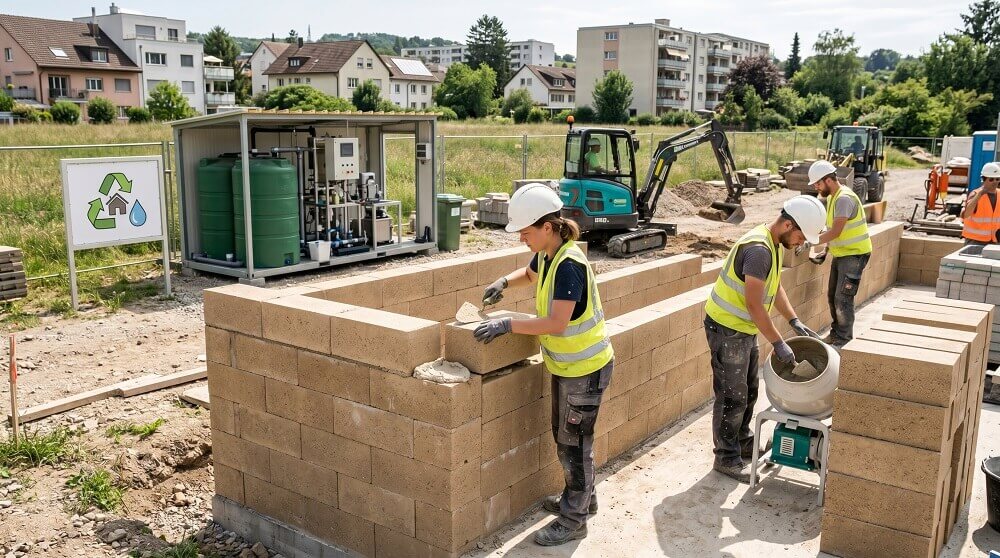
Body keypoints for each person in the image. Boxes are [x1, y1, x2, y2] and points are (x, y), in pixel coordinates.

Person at [475, 183, 614, 546]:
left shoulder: (569, 266)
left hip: (585, 370)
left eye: (525, 233)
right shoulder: (550, 254)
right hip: (570, 368)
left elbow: (556, 322)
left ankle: (574, 519)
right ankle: (582, 499)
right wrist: (503, 282)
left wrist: (507, 324)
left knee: (573, 445)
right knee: (568, 438)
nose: (522, 239)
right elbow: (530, 273)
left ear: (547, 227)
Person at [703, 196, 827, 483]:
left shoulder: (773, 243)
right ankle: (726, 457)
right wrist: (778, 342)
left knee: (749, 389)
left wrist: (794, 320)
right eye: (800, 237)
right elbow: (754, 305)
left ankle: (742, 441)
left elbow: (774, 285)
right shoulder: (759, 250)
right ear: (788, 225)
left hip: (742, 329)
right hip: (727, 329)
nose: (800, 244)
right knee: (732, 396)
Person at [808, 160, 873, 347]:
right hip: (842, 254)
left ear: (828, 180)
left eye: (817, 183)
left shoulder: (844, 199)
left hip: (855, 255)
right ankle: (836, 334)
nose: (815, 187)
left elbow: (836, 232)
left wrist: (809, 242)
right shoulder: (833, 198)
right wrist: (825, 250)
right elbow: (833, 230)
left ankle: (843, 340)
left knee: (842, 298)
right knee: (832, 296)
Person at [962, 162, 1000, 246]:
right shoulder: (975, 194)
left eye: (997, 179)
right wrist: (980, 194)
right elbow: (966, 214)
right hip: (975, 241)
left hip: (995, 241)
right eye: (991, 179)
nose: (995, 182)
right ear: (983, 179)